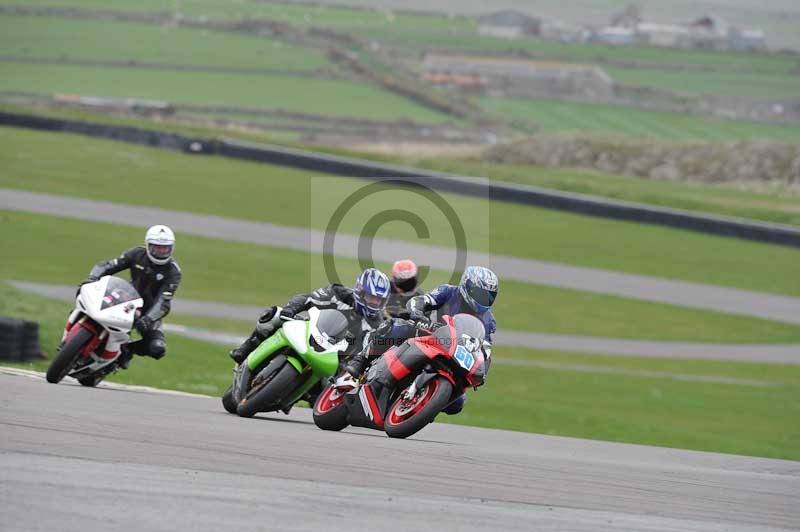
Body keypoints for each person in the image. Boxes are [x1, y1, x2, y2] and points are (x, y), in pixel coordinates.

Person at [337, 266, 498, 415]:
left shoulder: (489, 321)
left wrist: (482, 369)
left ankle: (422, 407)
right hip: (427, 333)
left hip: (452, 352)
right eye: (480, 293)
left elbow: (484, 350)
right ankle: (358, 364)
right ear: (466, 286)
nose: (484, 299)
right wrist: (418, 315)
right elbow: (420, 300)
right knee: (396, 327)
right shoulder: (449, 292)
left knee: (458, 403)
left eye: (489, 296)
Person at [228, 268, 392, 365]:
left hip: (335, 359)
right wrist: (290, 309)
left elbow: (371, 351)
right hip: (312, 331)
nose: (373, 302)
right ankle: (244, 350)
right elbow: (307, 298)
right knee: (274, 315)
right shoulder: (339, 293)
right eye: (371, 297)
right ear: (360, 291)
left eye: (378, 299)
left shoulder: (377, 324)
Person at [78, 225, 181, 369]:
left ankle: (126, 351)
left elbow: (164, 301)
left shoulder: (173, 271)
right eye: (157, 247)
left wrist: (148, 318)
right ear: (148, 245)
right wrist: (92, 278)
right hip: (125, 298)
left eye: (165, 248)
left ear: (172, 248)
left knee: (157, 348)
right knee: (88, 302)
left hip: (149, 310)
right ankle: (75, 329)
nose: (161, 251)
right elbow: (108, 265)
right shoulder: (136, 254)